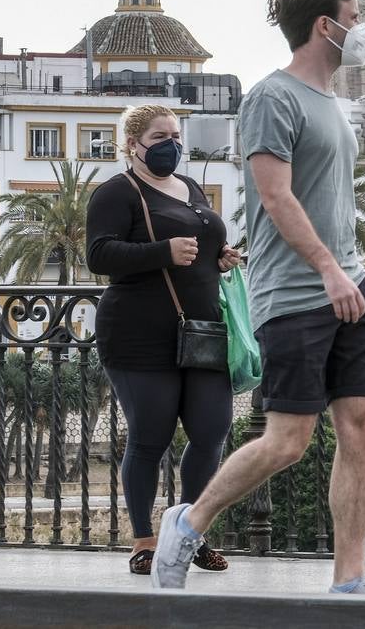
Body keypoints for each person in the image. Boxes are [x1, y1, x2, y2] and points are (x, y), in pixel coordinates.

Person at [151, 0, 365, 594]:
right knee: (288, 441)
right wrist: (329, 270)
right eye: (354, 16)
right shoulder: (270, 99)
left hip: (351, 289)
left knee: (361, 427)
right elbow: (275, 198)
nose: (362, 27)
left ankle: (351, 576)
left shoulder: (334, 105)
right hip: (296, 294)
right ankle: (190, 519)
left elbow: (329, 200)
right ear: (323, 27)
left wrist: (352, 272)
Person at [86, 104, 241, 576]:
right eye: (159, 136)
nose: (171, 144)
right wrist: (163, 252)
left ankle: (189, 533)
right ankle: (145, 541)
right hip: (139, 335)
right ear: (133, 143)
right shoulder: (116, 192)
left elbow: (200, 245)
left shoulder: (190, 188)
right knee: (150, 438)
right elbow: (99, 254)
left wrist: (221, 256)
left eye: (176, 134)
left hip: (202, 332)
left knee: (212, 432)